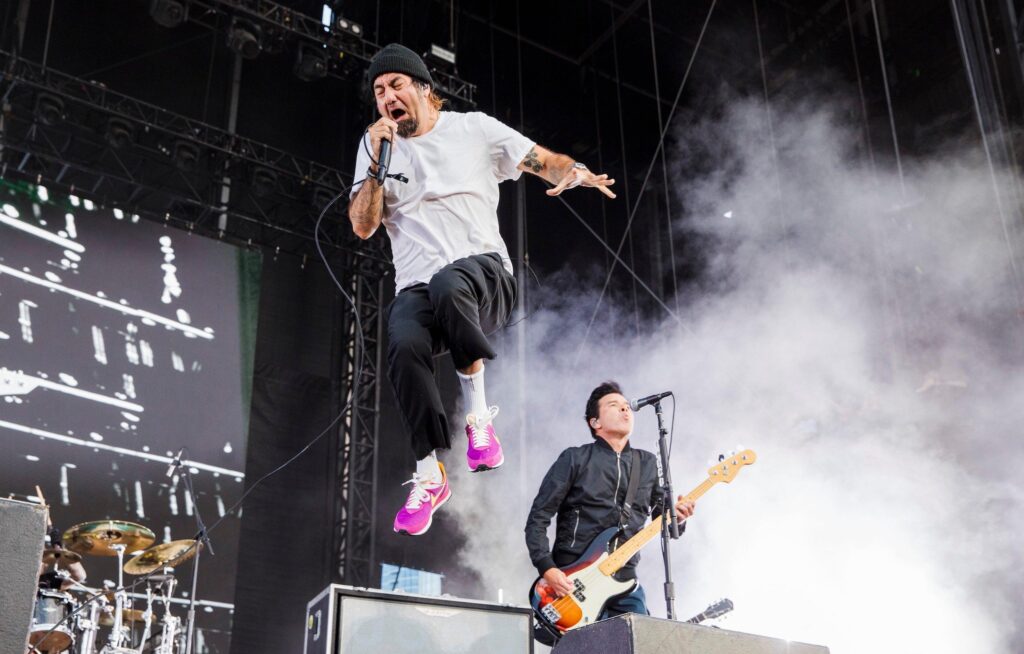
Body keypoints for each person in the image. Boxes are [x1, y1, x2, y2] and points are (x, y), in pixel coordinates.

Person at [348, 43, 617, 536]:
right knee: (404, 343)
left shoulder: (473, 129)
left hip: (486, 275)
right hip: (418, 287)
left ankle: (478, 418)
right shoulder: (375, 148)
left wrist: (572, 172)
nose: (387, 97)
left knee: (451, 284)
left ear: (424, 90)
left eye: (396, 85)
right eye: (379, 91)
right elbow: (363, 226)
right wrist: (375, 167)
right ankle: (430, 474)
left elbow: (539, 159)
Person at [524, 381, 695, 623]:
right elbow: (538, 517)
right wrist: (547, 567)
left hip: (624, 580)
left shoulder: (646, 463)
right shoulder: (575, 458)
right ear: (595, 422)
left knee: (640, 643)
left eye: (627, 406)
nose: (625, 410)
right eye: (614, 406)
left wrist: (678, 517)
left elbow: (665, 525)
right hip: (572, 581)